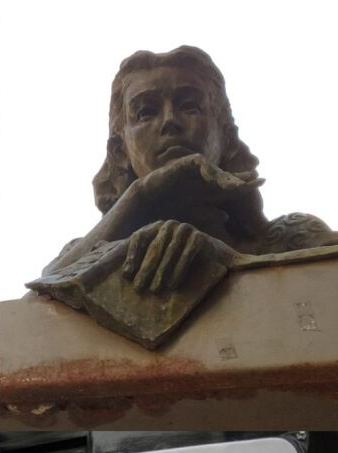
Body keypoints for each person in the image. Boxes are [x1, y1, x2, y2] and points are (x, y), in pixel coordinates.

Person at [45, 45, 338, 291]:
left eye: (189, 106)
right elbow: (45, 294)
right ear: (120, 151)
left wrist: (226, 259)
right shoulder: (90, 256)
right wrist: (139, 195)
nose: (170, 121)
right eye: (146, 112)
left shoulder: (293, 239)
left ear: (226, 139)